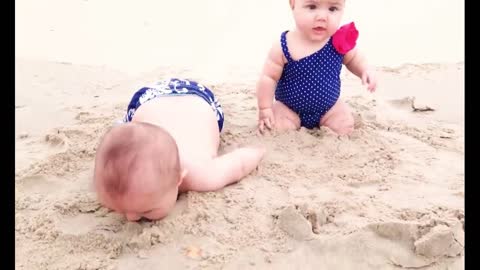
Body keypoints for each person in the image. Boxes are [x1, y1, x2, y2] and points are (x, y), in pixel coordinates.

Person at [93, 78, 266, 221]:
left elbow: (240, 164)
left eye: (147, 212)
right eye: (117, 209)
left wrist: (258, 152)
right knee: (129, 141)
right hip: (149, 98)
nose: (131, 218)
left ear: (179, 179)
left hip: (199, 98)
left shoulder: (199, 173)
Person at [256, 0, 377, 135]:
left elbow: (354, 59)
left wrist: (365, 70)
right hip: (288, 109)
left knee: (344, 125)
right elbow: (269, 77)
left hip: (329, 108)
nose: (322, 17)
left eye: (332, 9)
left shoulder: (338, 40)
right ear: (293, 4)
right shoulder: (284, 45)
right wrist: (265, 108)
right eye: (312, 7)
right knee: (277, 126)